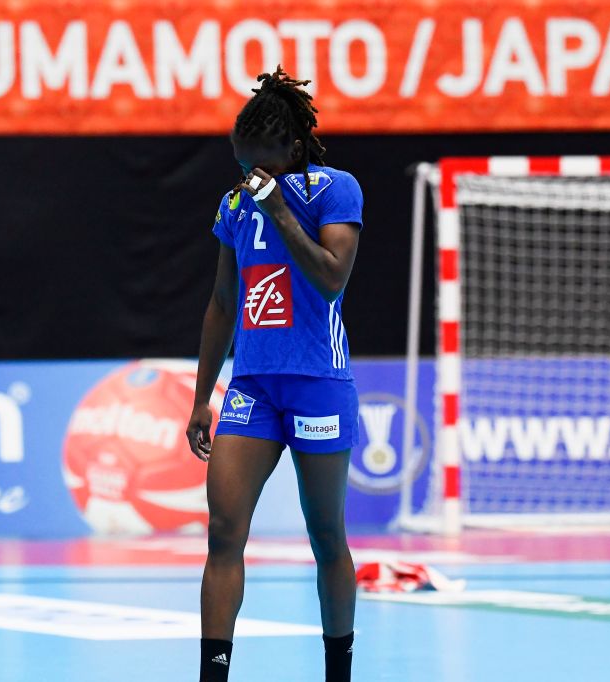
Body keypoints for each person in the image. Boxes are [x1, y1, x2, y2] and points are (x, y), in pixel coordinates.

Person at [185, 66, 363, 682]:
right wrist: (202, 397)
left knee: (326, 537)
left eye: (259, 162)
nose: (248, 174)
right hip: (254, 388)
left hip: (318, 385)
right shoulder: (234, 205)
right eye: (241, 163)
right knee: (223, 531)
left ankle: (337, 672)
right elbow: (222, 303)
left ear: (293, 148)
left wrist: (280, 209)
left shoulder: (335, 190)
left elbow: (332, 278)